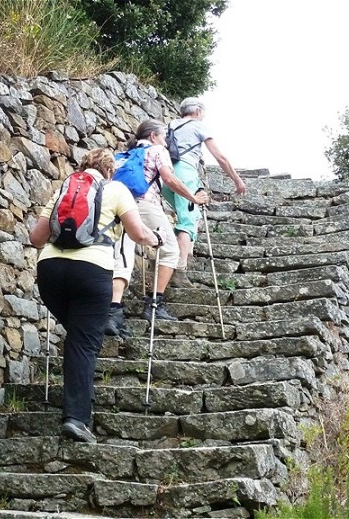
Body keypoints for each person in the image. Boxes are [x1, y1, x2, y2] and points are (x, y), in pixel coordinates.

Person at [29, 148, 160, 443]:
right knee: (85, 343)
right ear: (110, 170)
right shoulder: (116, 189)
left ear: (83, 166)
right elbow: (138, 233)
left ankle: (77, 407)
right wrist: (156, 238)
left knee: (78, 336)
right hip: (92, 271)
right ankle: (76, 418)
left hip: (49, 271)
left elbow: (36, 238)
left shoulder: (64, 189)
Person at [105, 120, 209, 338]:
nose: (166, 141)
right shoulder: (157, 150)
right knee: (170, 250)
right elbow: (170, 179)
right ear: (153, 136)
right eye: (163, 136)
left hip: (118, 205)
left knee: (123, 257)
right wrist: (193, 198)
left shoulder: (127, 154)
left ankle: (113, 312)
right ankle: (154, 304)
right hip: (144, 205)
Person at [164, 97, 246, 288]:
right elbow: (220, 158)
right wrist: (236, 179)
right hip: (185, 174)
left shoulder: (170, 125)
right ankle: (180, 271)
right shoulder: (198, 126)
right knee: (187, 220)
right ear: (198, 111)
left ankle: (186, 254)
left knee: (192, 215)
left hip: (167, 177)